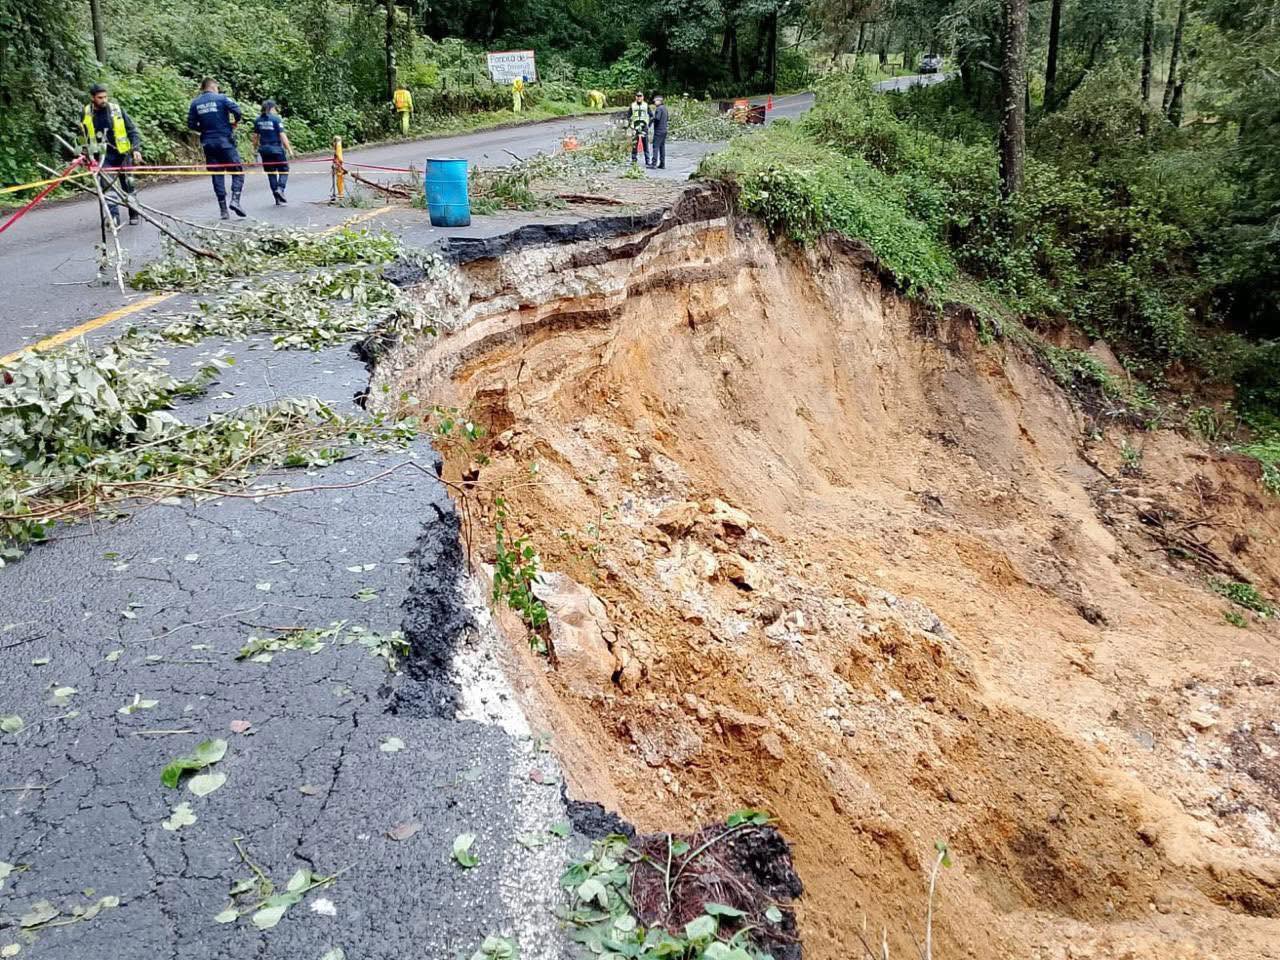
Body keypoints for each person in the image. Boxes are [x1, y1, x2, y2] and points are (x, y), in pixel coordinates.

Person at [79, 82, 143, 226]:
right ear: (92, 98)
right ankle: (114, 218)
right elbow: (82, 135)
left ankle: (134, 213)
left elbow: (132, 130)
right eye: (100, 98)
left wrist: (136, 149)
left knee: (128, 185)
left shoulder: (116, 109)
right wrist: (84, 154)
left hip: (122, 153)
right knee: (107, 187)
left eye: (105, 97)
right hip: (101, 156)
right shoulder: (86, 112)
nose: (104, 100)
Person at [187, 77, 245, 220]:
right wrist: (234, 122)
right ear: (214, 87)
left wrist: (204, 129)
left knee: (217, 174)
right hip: (225, 141)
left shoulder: (195, 103)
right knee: (237, 171)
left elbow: (191, 124)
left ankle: (223, 210)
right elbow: (238, 111)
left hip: (208, 143)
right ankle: (235, 200)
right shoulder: (222, 98)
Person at [252, 100, 294, 205]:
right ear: (271, 108)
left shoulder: (258, 120)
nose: (276, 111)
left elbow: (255, 137)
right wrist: (289, 149)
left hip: (264, 150)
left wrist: (255, 149)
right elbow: (282, 135)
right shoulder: (276, 119)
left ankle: (277, 199)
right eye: (275, 108)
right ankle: (280, 188)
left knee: (271, 173)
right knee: (284, 170)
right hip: (276, 149)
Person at [628, 91, 650, 166]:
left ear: (643, 97)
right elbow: (628, 115)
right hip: (635, 126)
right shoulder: (632, 105)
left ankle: (647, 160)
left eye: (640, 96)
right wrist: (630, 125)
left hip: (644, 126)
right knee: (635, 144)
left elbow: (651, 115)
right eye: (638, 96)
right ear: (636, 97)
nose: (639, 98)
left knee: (645, 144)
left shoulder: (646, 105)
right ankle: (634, 160)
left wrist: (648, 124)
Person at [647, 94, 668, 170]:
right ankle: (662, 164)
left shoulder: (659, 109)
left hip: (658, 131)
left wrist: (651, 120)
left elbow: (657, 118)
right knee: (662, 147)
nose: (654, 102)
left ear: (659, 101)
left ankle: (653, 164)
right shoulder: (665, 108)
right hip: (664, 130)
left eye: (655, 101)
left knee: (655, 147)